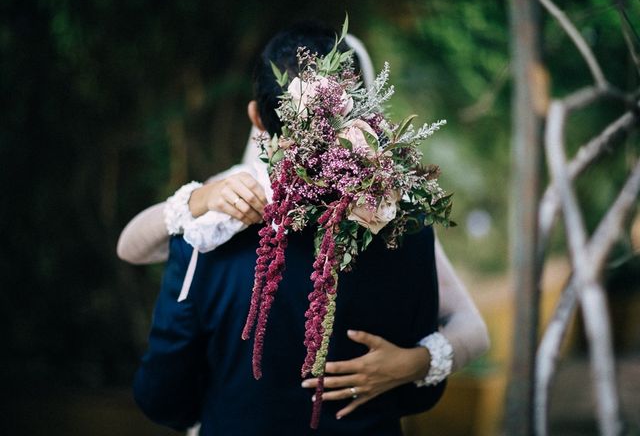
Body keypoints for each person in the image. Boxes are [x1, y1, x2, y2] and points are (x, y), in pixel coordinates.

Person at [130, 24, 489, 434]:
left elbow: (161, 394)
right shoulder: (403, 226)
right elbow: (418, 396)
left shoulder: (206, 234)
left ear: (255, 118)